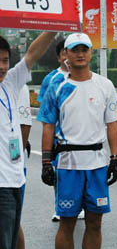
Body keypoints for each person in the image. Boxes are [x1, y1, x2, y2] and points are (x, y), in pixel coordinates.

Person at [38, 32, 117, 249]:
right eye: (73, 49)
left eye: (84, 49)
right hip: (68, 163)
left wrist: (114, 158)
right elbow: (48, 126)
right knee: (67, 223)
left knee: (95, 223)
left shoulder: (104, 85)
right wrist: (45, 160)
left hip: (97, 163)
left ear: (90, 52)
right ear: (65, 54)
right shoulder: (57, 87)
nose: (79, 54)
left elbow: (113, 124)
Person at [0, 30, 56, 249]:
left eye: (5, 61)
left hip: (14, 181)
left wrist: (53, 25)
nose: (2, 66)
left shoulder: (10, 84)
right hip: (1, 188)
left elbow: (34, 52)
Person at [37, 39, 70, 222]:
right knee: (57, 172)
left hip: (77, 137)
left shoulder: (84, 77)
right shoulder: (51, 79)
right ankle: (59, 206)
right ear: (59, 57)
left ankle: (75, 205)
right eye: (64, 52)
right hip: (57, 135)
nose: (68, 56)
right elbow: (45, 111)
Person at [11, 85, 35, 249]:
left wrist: (14, 159)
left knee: (11, 216)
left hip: (10, 167)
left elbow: (24, 125)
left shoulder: (17, 85)